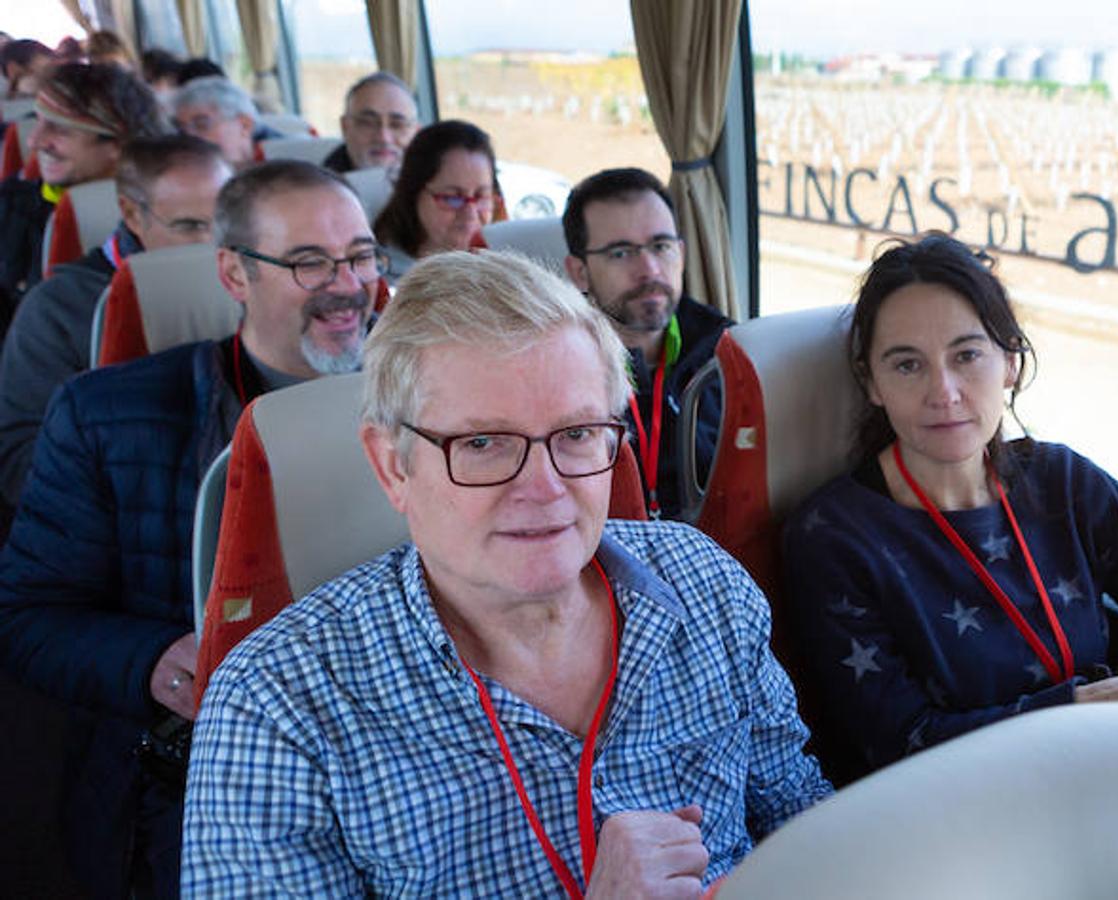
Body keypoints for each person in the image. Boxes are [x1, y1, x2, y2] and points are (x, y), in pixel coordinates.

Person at [182, 249, 831, 895]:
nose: (544, 489)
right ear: (392, 466)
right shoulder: (277, 701)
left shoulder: (705, 586)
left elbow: (802, 822)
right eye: (483, 443)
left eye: (576, 434)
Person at [0, 160, 384, 898]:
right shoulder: (107, 416)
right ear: (235, 275)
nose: (348, 285)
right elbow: (26, 617)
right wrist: (151, 659)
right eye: (308, 261)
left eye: (361, 255)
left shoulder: (426, 405)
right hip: (196, 767)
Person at [781, 234, 1118, 779]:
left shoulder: (1063, 483)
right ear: (871, 383)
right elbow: (902, 746)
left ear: (1011, 364)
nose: (944, 391)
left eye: (967, 355)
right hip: (973, 811)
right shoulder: (832, 538)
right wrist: (1092, 707)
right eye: (907, 365)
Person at [0, 134, 231, 533]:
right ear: (132, 214)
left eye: (226, 226)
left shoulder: (253, 285)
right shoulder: (59, 308)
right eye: (191, 226)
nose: (212, 246)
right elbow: (18, 465)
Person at [562, 167, 731, 519]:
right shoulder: (555, 367)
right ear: (579, 272)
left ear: (681, 255)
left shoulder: (728, 352)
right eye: (621, 253)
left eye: (661, 246)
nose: (651, 269)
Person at [0, 62, 169, 329]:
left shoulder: (168, 214)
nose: (34, 141)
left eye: (59, 129)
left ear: (119, 144)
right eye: (38, 122)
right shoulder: (9, 207)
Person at [371, 119, 498, 274]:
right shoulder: (378, 275)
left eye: (481, 196)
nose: (470, 214)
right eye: (452, 198)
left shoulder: (505, 265)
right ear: (413, 194)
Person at [170, 75, 276, 169]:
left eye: (201, 125)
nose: (189, 137)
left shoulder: (280, 162)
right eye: (182, 130)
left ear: (245, 125)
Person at [322, 70, 417, 172]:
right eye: (367, 123)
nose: (384, 138)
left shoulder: (433, 180)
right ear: (345, 127)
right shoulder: (317, 185)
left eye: (397, 125)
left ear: (416, 133)